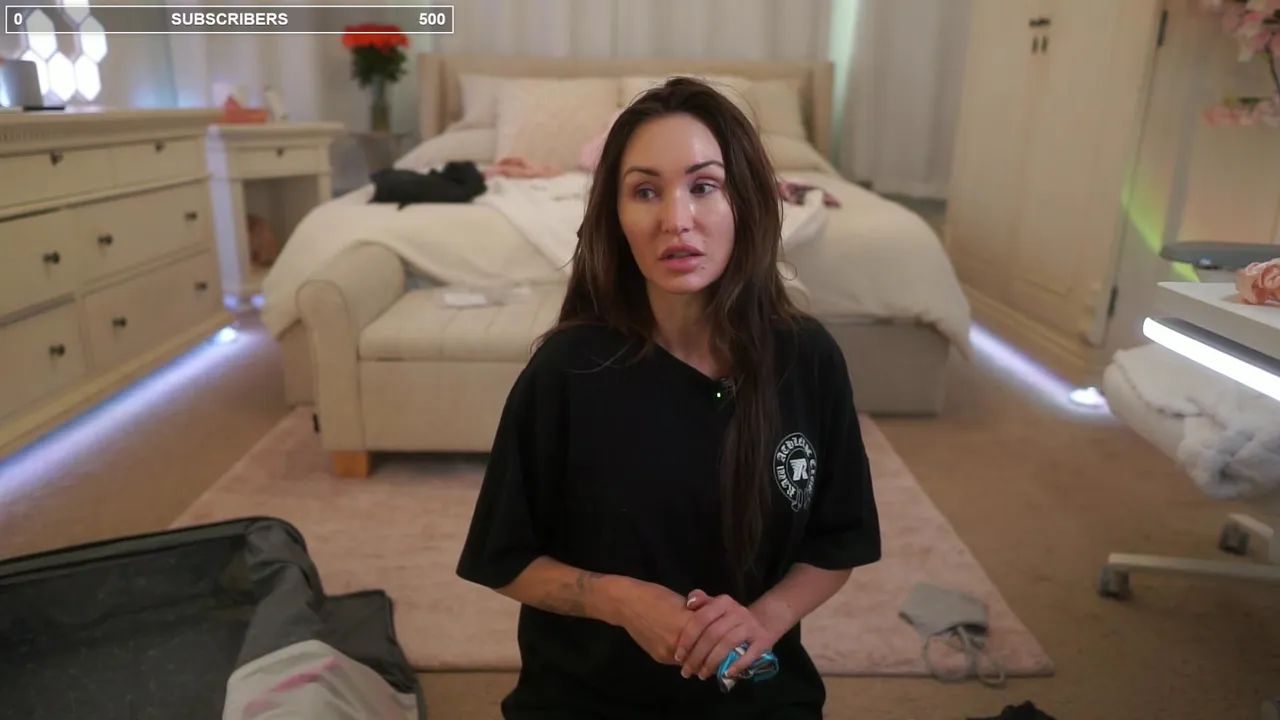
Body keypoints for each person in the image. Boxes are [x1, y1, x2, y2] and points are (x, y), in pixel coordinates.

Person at [455, 76, 882, 719]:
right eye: (646, 191)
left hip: (755, 695)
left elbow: (836, 542)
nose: (676, 220)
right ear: (616, 216)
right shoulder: (566, 372)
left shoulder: (809, 359)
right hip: (587, 699)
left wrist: (763, 620)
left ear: (745, 201)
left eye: (704, 186)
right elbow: (503, 557)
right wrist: (622, 601)